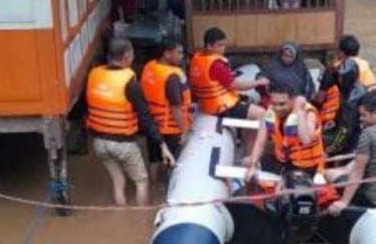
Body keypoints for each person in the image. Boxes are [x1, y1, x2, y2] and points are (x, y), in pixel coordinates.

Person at [86, 38, 175, 206]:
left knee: (118, 180)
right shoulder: (130, 83)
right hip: (122, 144)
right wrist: (162, 144)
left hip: (99, 143)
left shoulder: (94, 75)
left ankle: (122, 216)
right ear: (127, 56)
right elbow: (145, 117)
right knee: (142, 182)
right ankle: (139, 220)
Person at [189, 27, 269, 154]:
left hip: (206, 105)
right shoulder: (216, 65)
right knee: (261, 113)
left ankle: (244, 145)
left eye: (223, 45)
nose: (223, 49)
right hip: (221, 108)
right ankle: (250, 154)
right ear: (209, 46)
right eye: (219, 45)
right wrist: (258, 82)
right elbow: (237, 85)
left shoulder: (196, 60)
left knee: (247, 105)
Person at [245, 83, 325, 181]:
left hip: (308, 167)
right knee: (247, 162)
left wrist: (299, 111)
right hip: (283, 161)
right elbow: (260, 142)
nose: (278, 108)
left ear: (293, 100)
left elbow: (306, 139)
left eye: (282, 104)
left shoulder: (308, 113)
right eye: (274, 103)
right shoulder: (270, 112)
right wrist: (253, 166)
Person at [141, 37, 191, 182]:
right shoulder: (172, 77)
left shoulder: (149, 67)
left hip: (152, 125)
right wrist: (185, 131)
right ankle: (169, 192)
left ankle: (153, 188)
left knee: (154, 161)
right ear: (167, 54)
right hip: (169, 129)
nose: (182, 57)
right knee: (172, 164)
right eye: (179, 53)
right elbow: (176, 108)